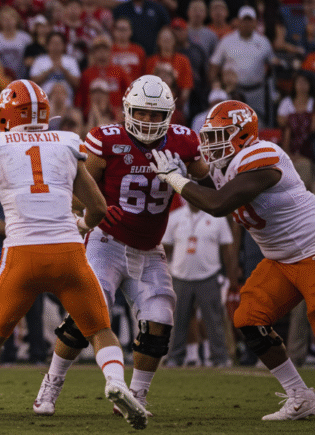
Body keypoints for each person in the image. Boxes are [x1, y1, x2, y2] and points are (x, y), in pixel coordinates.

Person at [0, 79, 147, 429]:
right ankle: (115, 382)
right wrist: (80, 224)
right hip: (68, 252)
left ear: (5, 114)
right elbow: (97, 206)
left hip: (22, 255)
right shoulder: (66, 141)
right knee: (99, 328)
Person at [35, 75, 209, 416]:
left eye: (156, 115)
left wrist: (184, 177)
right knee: (86, 314)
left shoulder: (185, 142)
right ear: (129, 110)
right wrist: (95, 209)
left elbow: (209, 185)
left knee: (160, 321)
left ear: (169, 115)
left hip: (150, 249)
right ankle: (52, 383)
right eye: (142, 113)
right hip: (106, 242)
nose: (148, 121)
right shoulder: (106, 140)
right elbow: (71, 192)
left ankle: (137, 395)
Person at [150, 100, 315, 420]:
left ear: (242, 135)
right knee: (248, 318)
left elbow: (219, 203)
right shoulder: (228, 166)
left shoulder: (261, 156)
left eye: (219, 136)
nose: (210, 145)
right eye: (208, 137)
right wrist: (184, 170)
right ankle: (300, 395)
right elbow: (213, 188)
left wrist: (175, 179)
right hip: (281, 260)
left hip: (312, 250)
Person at [161, 201, 237, 368]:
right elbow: (165, 247)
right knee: (178, 320)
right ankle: (175, 357)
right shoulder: (175, 217)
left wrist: (232, 277)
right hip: (180, 276)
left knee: (214, 320)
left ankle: (221, 357)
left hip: (209, 275)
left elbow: (227, 248)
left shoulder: (217, 218)